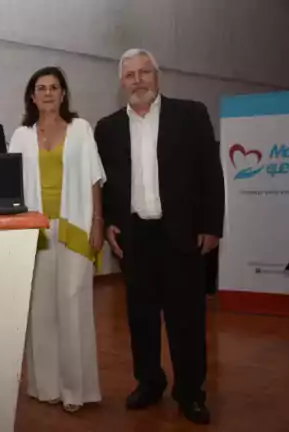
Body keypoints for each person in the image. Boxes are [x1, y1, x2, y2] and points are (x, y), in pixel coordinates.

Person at [94, 48, 224, 425]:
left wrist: (213, 226)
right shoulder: (108, 127)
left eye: (144, 72)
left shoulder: (191, 115)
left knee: (187, 319)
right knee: (141, 318)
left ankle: (190, 393)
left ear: (157, 76)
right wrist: (113, 222)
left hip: (182, 234)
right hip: (136, 237)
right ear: (122, 83)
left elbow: (210, 175)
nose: (138, 80)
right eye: (130, 75)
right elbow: (109, 184)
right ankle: (149, 382)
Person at [10, 66, 106, 413]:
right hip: (34, 230)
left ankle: (76, 390)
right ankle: (45, 386)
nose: (48, 93)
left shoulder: (81, 129)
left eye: (54, 87)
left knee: (73, 304)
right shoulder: (20, 136)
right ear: (32, 96)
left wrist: (98, 221)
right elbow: (10, 185)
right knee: (40, 311)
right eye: (41, 87)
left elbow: (95, 177)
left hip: (76, 227)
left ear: (63, 94)